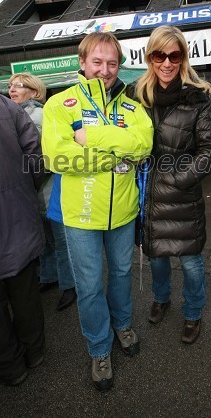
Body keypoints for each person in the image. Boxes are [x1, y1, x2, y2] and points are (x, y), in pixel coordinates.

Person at [42, 32, 153, 392]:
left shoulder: (133, 106)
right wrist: (115, 154)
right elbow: (56, 158)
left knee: (120, 274)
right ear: (82, 63)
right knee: (89, 286)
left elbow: (143, 146)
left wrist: (92, 137)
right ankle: (99, 347)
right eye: (97, 62)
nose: (104, 70)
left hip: (122, 212)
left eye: (112, 63)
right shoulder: (60, 105)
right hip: (80, 216)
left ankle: (122, 324)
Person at [133, 25, 211, 345]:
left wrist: (178, 179)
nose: (166, 62)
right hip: (150, 197)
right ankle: (161, 298)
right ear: (150, 57)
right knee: (156, 257)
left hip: (182, 196)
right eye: (159, 55)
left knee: (191, 261)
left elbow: (209, 150)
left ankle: (193, 313)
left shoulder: (198, 98)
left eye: (174, 54)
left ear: (182, 57)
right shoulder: (137, 96)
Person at [8, 72, 76, 312]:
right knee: (47, 240)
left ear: (35, 92)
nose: (12, 89)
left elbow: (47, 158)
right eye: (10, 85)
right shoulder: (16, 115)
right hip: (36, 192)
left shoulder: (39, 115)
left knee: (59, 240)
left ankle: (69, 285)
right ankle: (51, 278)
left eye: (19, 85)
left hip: (48, 190)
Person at [0, 95, 45, 386]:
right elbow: (37, 158)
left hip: (17, 217)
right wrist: (25, 192)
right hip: (19, 218)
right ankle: (34, 352)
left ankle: (10, 366)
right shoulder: (8, 107)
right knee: (26, 293)